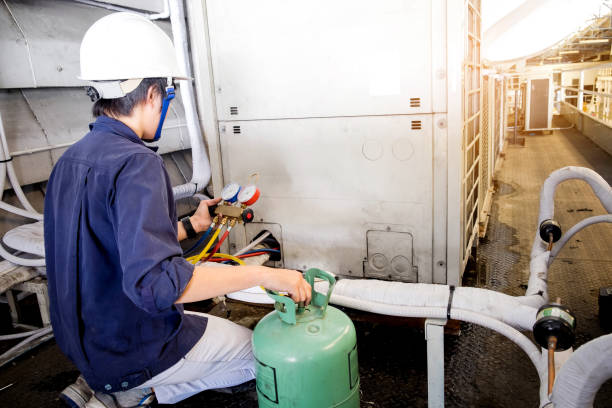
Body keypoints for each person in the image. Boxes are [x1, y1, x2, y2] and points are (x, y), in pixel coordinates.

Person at [43, 12, 312, 408]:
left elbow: (110, 245)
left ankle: (102, 387)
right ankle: (130, 394)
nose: (166, 104)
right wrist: (268, 277)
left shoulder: (70, 161)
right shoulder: (138, 163)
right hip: (134, 346)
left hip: (86, 342)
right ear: (152, 94)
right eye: (167, 96)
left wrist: (192, 225)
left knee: (208, 331)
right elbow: (159, 288)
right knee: (262, 355)